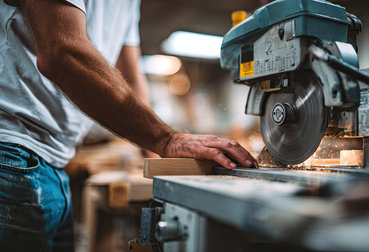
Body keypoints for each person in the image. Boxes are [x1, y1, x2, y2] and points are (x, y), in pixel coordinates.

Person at [0, 0, 258, 251]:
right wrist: (166, 139)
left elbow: (132, 80)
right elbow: (62, 51)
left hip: (52, 163)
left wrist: (159, 162)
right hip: (11, 155)